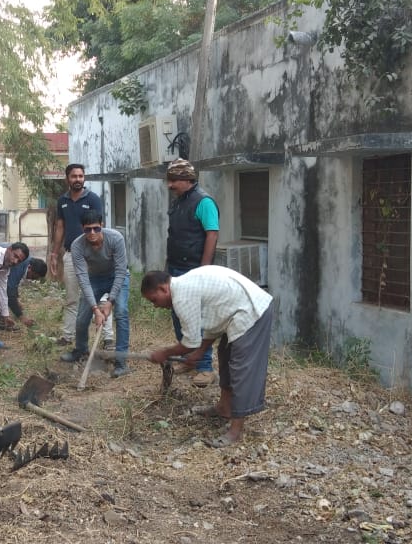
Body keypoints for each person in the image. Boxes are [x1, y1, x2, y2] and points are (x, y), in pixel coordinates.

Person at [139, 267, 276, 447]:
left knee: (241, 369)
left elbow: (190, 342)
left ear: (164, 289)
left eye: (154, 300)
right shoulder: (185, 284)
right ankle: (224, 408)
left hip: (252, 311)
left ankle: (236, 430)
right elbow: (214, 318)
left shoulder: (182, 297)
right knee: (225, 356)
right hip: (235, 312)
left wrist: (164, 353)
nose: (156, 306)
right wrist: (201, 351)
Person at [164, 158, 221, 388]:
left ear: (188, 179)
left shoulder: (204, 201)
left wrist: (204, 269)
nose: (170, 185)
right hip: (176, 268)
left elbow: (212, 234)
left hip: (194, 270)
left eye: (174, 180)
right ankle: (189, 358)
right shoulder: (179, 201)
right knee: (179, 316)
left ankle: (206, 367)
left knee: (196, 319)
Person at [59, 210, 131, 378]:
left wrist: (110, 301)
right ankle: (81, 351)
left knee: (121, 313)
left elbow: (121, 271)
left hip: (117, 276)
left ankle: (121, 362)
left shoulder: (116, 238)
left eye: (96, 229)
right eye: (87, 229)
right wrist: (96, 310)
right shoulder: (77, 246)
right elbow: (83, 278)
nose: (92, 233)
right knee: (82, 317)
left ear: (102, 226)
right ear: (82, 229)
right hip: (94, 278)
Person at [49, 163, 113, 346]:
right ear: (67, 178)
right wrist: (54, 253)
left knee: (100, 295)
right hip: (70, 255)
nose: (77, 179)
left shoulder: (93, 199)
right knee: (71, 297)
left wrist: (101, 251)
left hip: (92, 256)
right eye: (74, 176)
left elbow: (99, 226)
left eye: (80, 176)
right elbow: (60, 227)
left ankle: (107, 337)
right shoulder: (62, 201)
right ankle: (67, 336)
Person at [0, 256, 48, 331]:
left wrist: (16, 299)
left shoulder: (25, 262)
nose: (31, 279)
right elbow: (9, 293)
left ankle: (2, 322)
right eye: (33, 277)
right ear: (30, 268)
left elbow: (13, 283)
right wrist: (22, 318)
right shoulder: (19, 264)